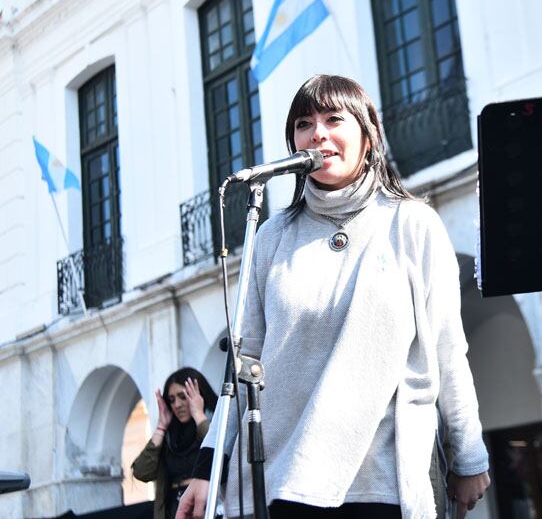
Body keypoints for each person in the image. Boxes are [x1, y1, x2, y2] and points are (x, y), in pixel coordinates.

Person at [177, 75, 490, 519]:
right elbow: (242, 366)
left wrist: (470, 456)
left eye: (333, 118)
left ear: (368, 136)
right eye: (304, 123)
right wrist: (208, 467)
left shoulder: (413, 225)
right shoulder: (271, 236)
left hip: (380, 484)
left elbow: (448, 350)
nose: (317, 132)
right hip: (284, 483)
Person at [133, 368, 218, 519]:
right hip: (173, 509)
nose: (177, 404)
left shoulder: (216, 425)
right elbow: (141, 472)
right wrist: (161, 426)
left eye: (183, 396)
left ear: (199, 396)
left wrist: (198, 414)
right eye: (172, 400)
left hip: (206, 508)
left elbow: (219, 454)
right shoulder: (169, 437)